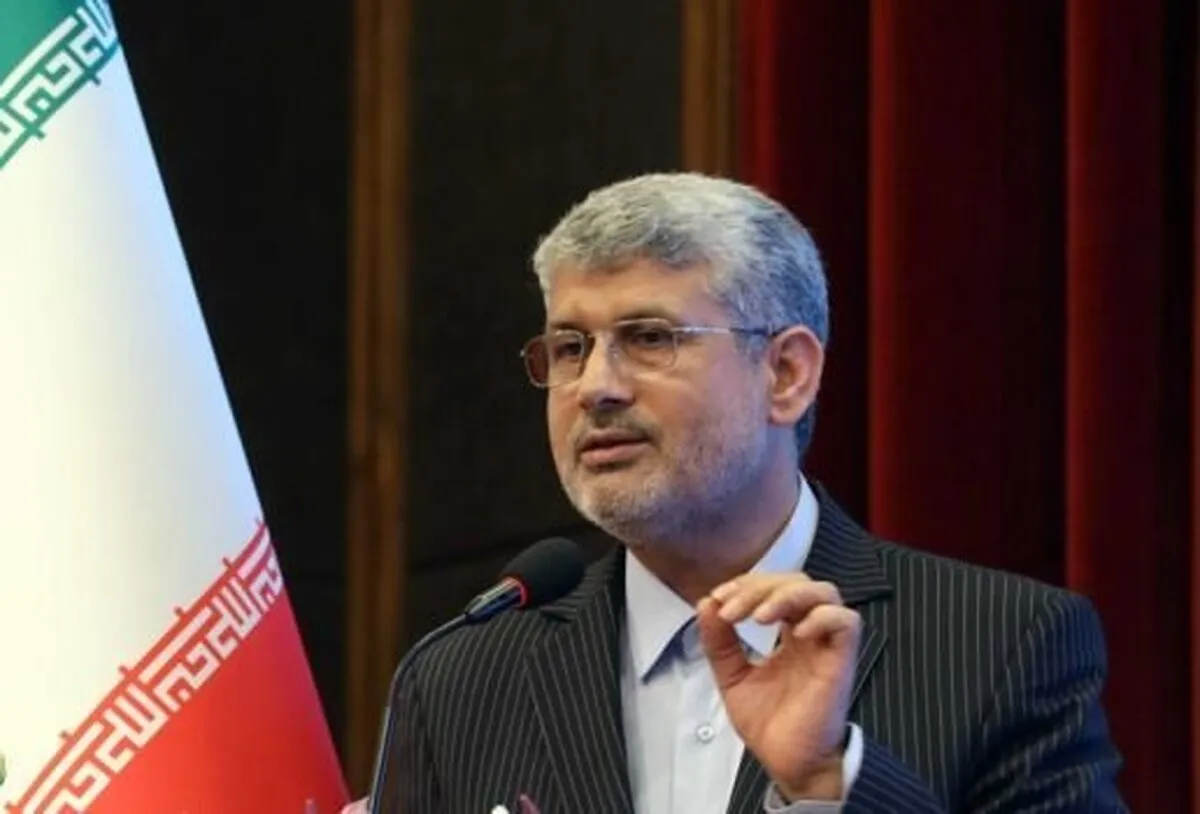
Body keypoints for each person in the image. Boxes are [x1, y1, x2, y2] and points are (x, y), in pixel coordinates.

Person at [345, 173, 1126, 813]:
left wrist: (826, 784)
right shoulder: (459, 680)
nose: (594, 387)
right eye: (570, 347)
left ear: (786, 373)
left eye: (649, 338)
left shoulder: (999, 646)